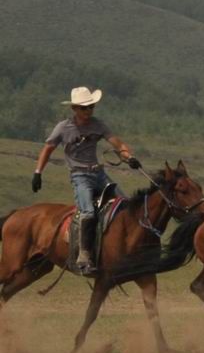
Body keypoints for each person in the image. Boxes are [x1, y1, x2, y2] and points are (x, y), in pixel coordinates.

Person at [32, 86, 141, 273]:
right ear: (74, 108)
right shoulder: (63, 128)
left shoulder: (98, 125)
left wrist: (128, 157)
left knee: (126, 206)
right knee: (88, 213)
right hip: (79, 176)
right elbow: (48, 149)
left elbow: (117, 143)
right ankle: (84, 255)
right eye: (84, 108)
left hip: (98, 174)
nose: (88, 111)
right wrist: (37, 172)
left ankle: (126, 251)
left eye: (91, 107)